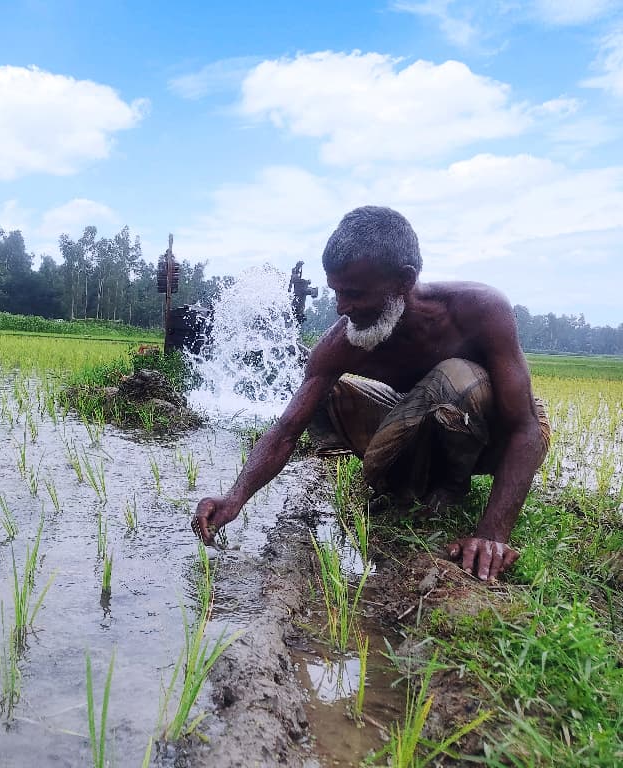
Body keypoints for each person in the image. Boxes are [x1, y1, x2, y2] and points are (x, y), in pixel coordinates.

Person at [192, 206, 550, 582]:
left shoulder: (479, 310)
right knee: (321, 393)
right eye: (336, 292)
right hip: (424, 417)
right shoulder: (340, 343)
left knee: (454, 377)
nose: (342, 308)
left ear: (403, 281)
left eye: (354, 294)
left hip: (500, 434)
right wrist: (234, 499)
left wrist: (492, 533)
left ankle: (453, 486)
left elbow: (523, 428)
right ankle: (416, 483)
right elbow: (286, 431)